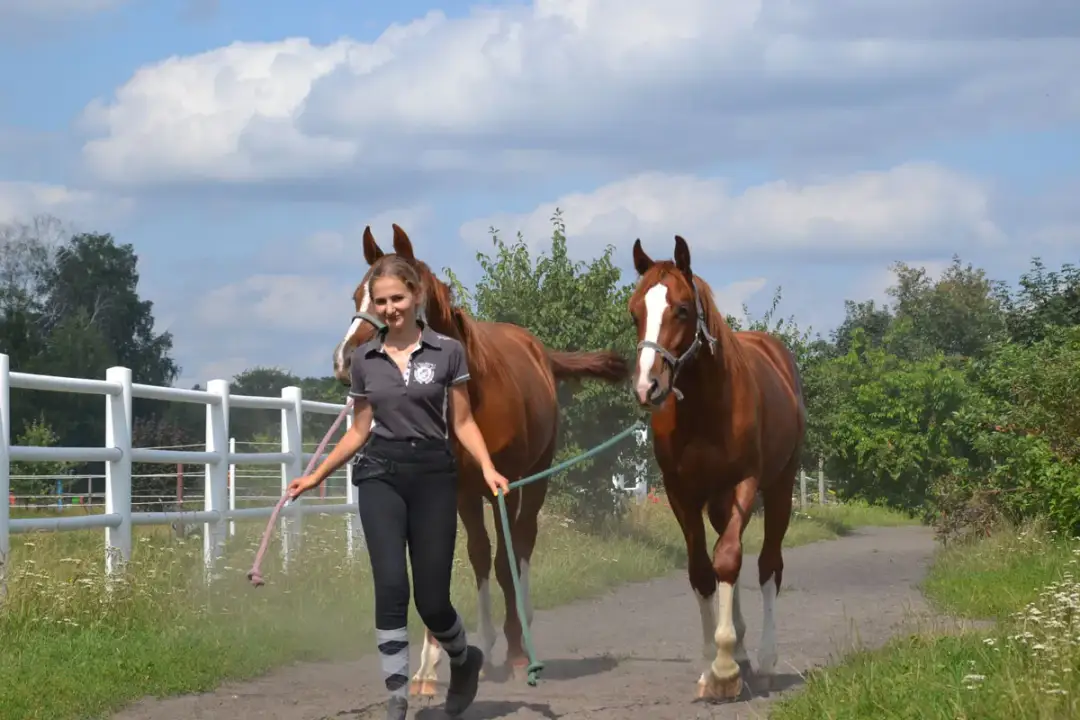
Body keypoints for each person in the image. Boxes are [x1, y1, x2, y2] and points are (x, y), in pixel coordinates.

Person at [286, 255, 510, 720]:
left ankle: (463, 660)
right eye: (381, 301)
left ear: (416, 297)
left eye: (397, 299)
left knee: (431, 599)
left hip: (433, 476)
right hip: (380, 474)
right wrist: (317, 475)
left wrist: (487, 467)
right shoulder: (365, 359)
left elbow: (463, 421)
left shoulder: (448, 352)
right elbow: (358, 428)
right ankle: (397, 701)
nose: (389, 309)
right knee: (390, 586)